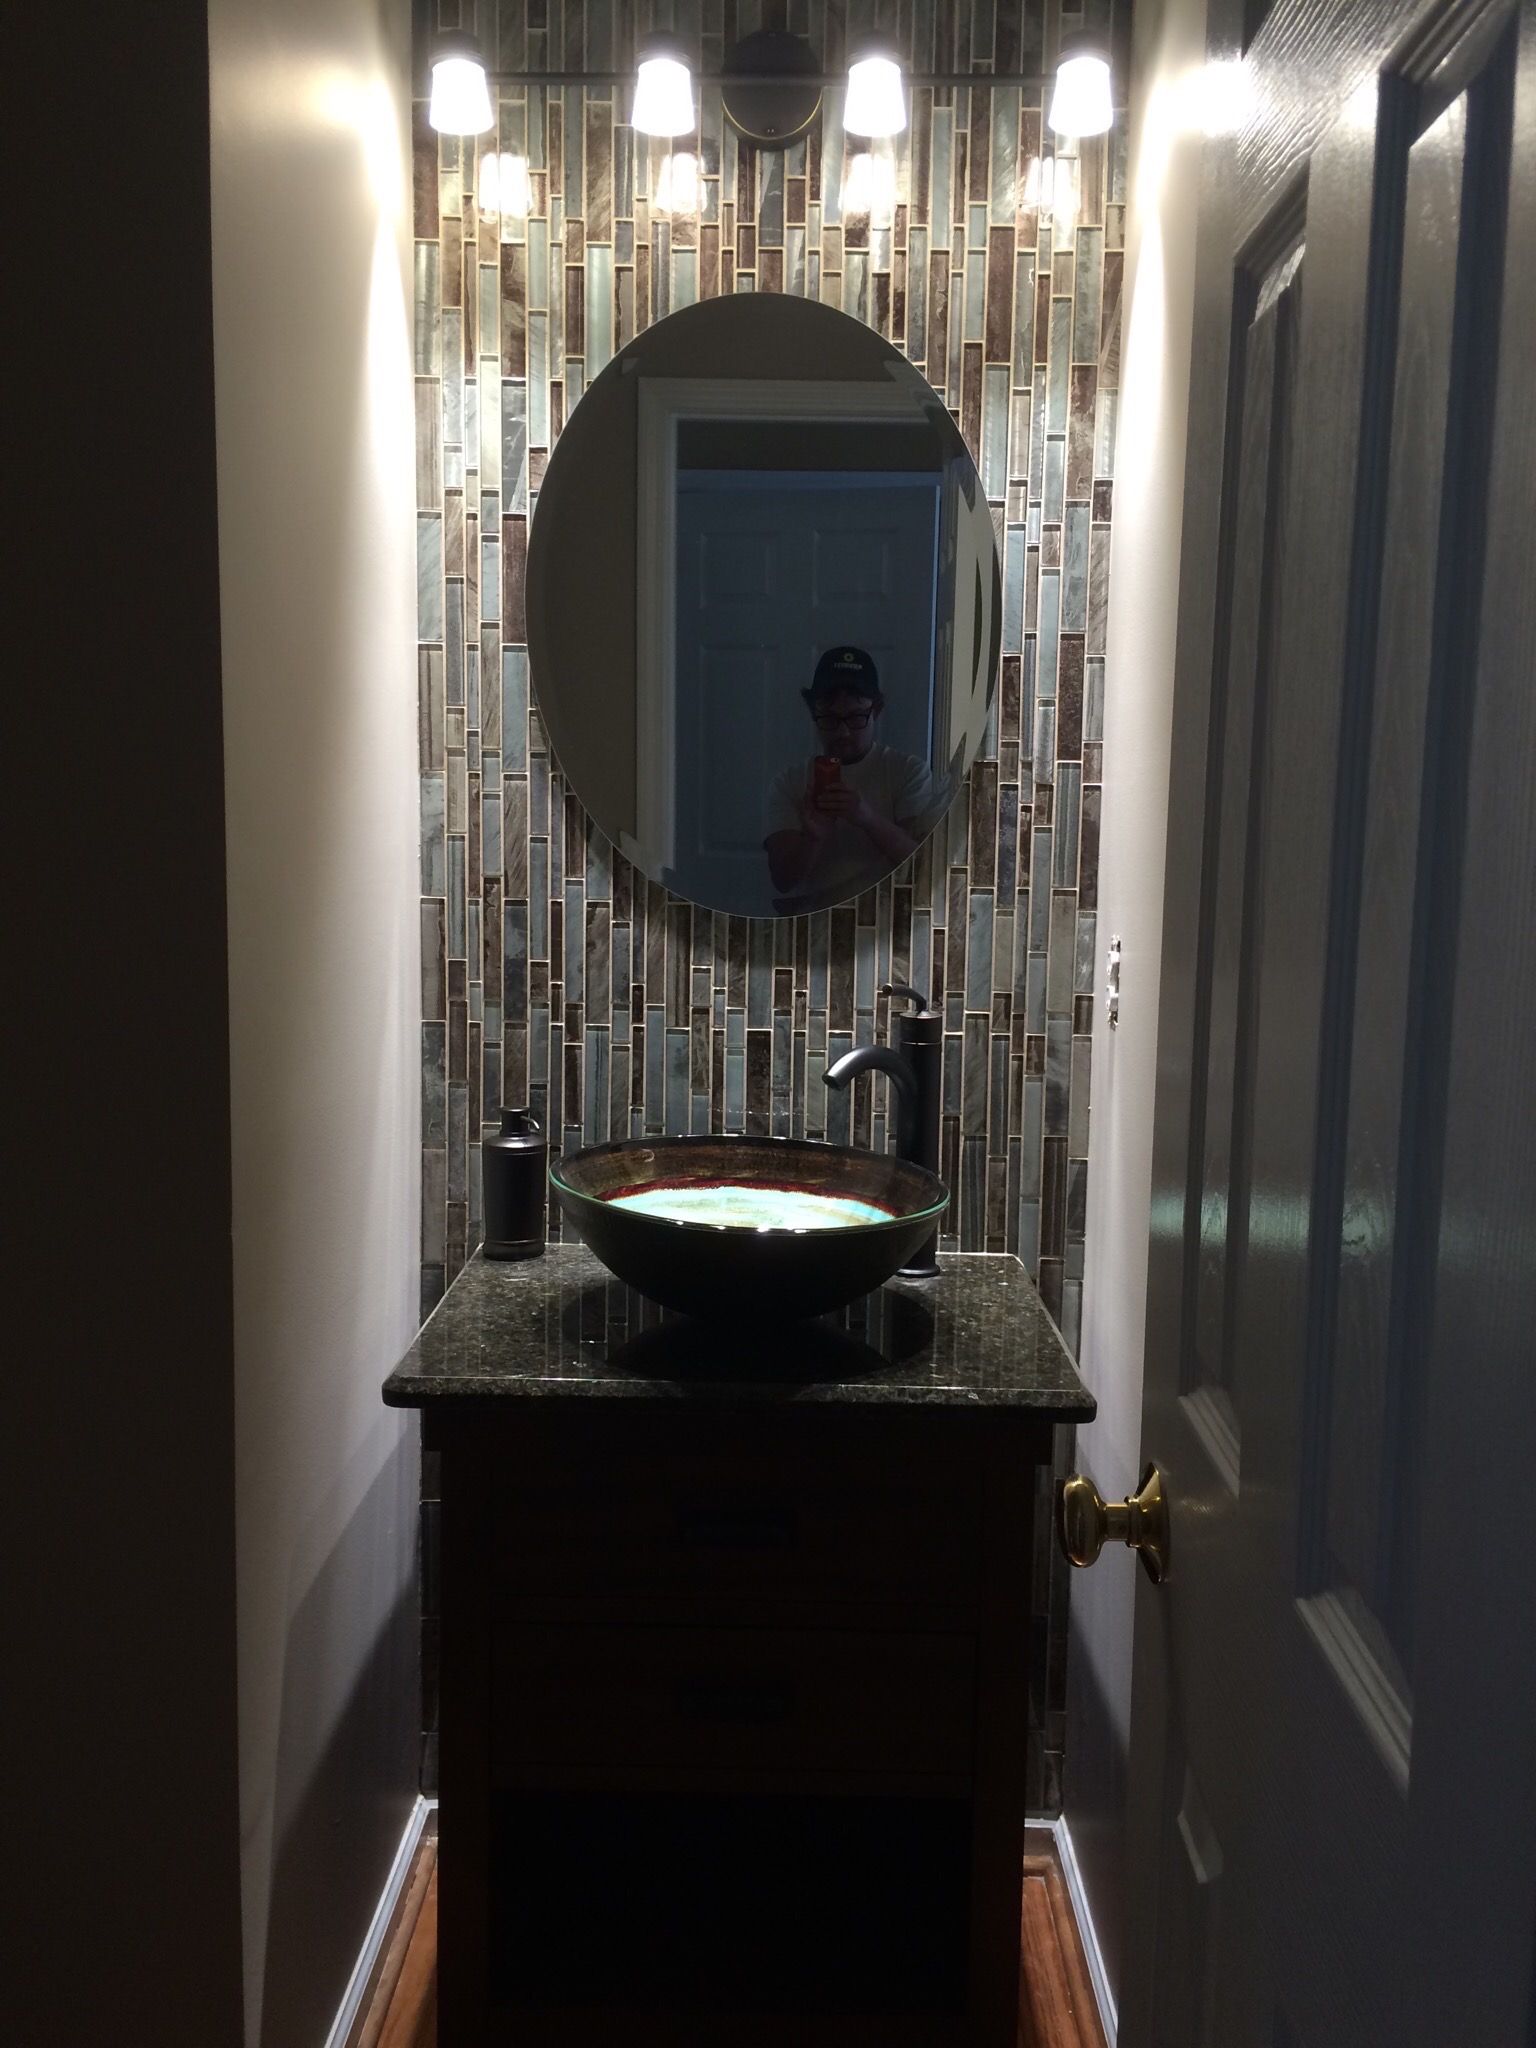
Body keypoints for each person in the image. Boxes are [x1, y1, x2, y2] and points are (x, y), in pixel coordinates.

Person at [763, 647, 940, 911]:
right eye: (830, 719)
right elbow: (783, 881)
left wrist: (866, 818)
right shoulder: (789, 782)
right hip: (815, 925)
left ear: (876, 710)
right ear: (814, 713)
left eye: (856, 717)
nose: (843, 732)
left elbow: (923, 866)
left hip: (889, 919)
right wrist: (813, 838)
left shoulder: (909, 772)